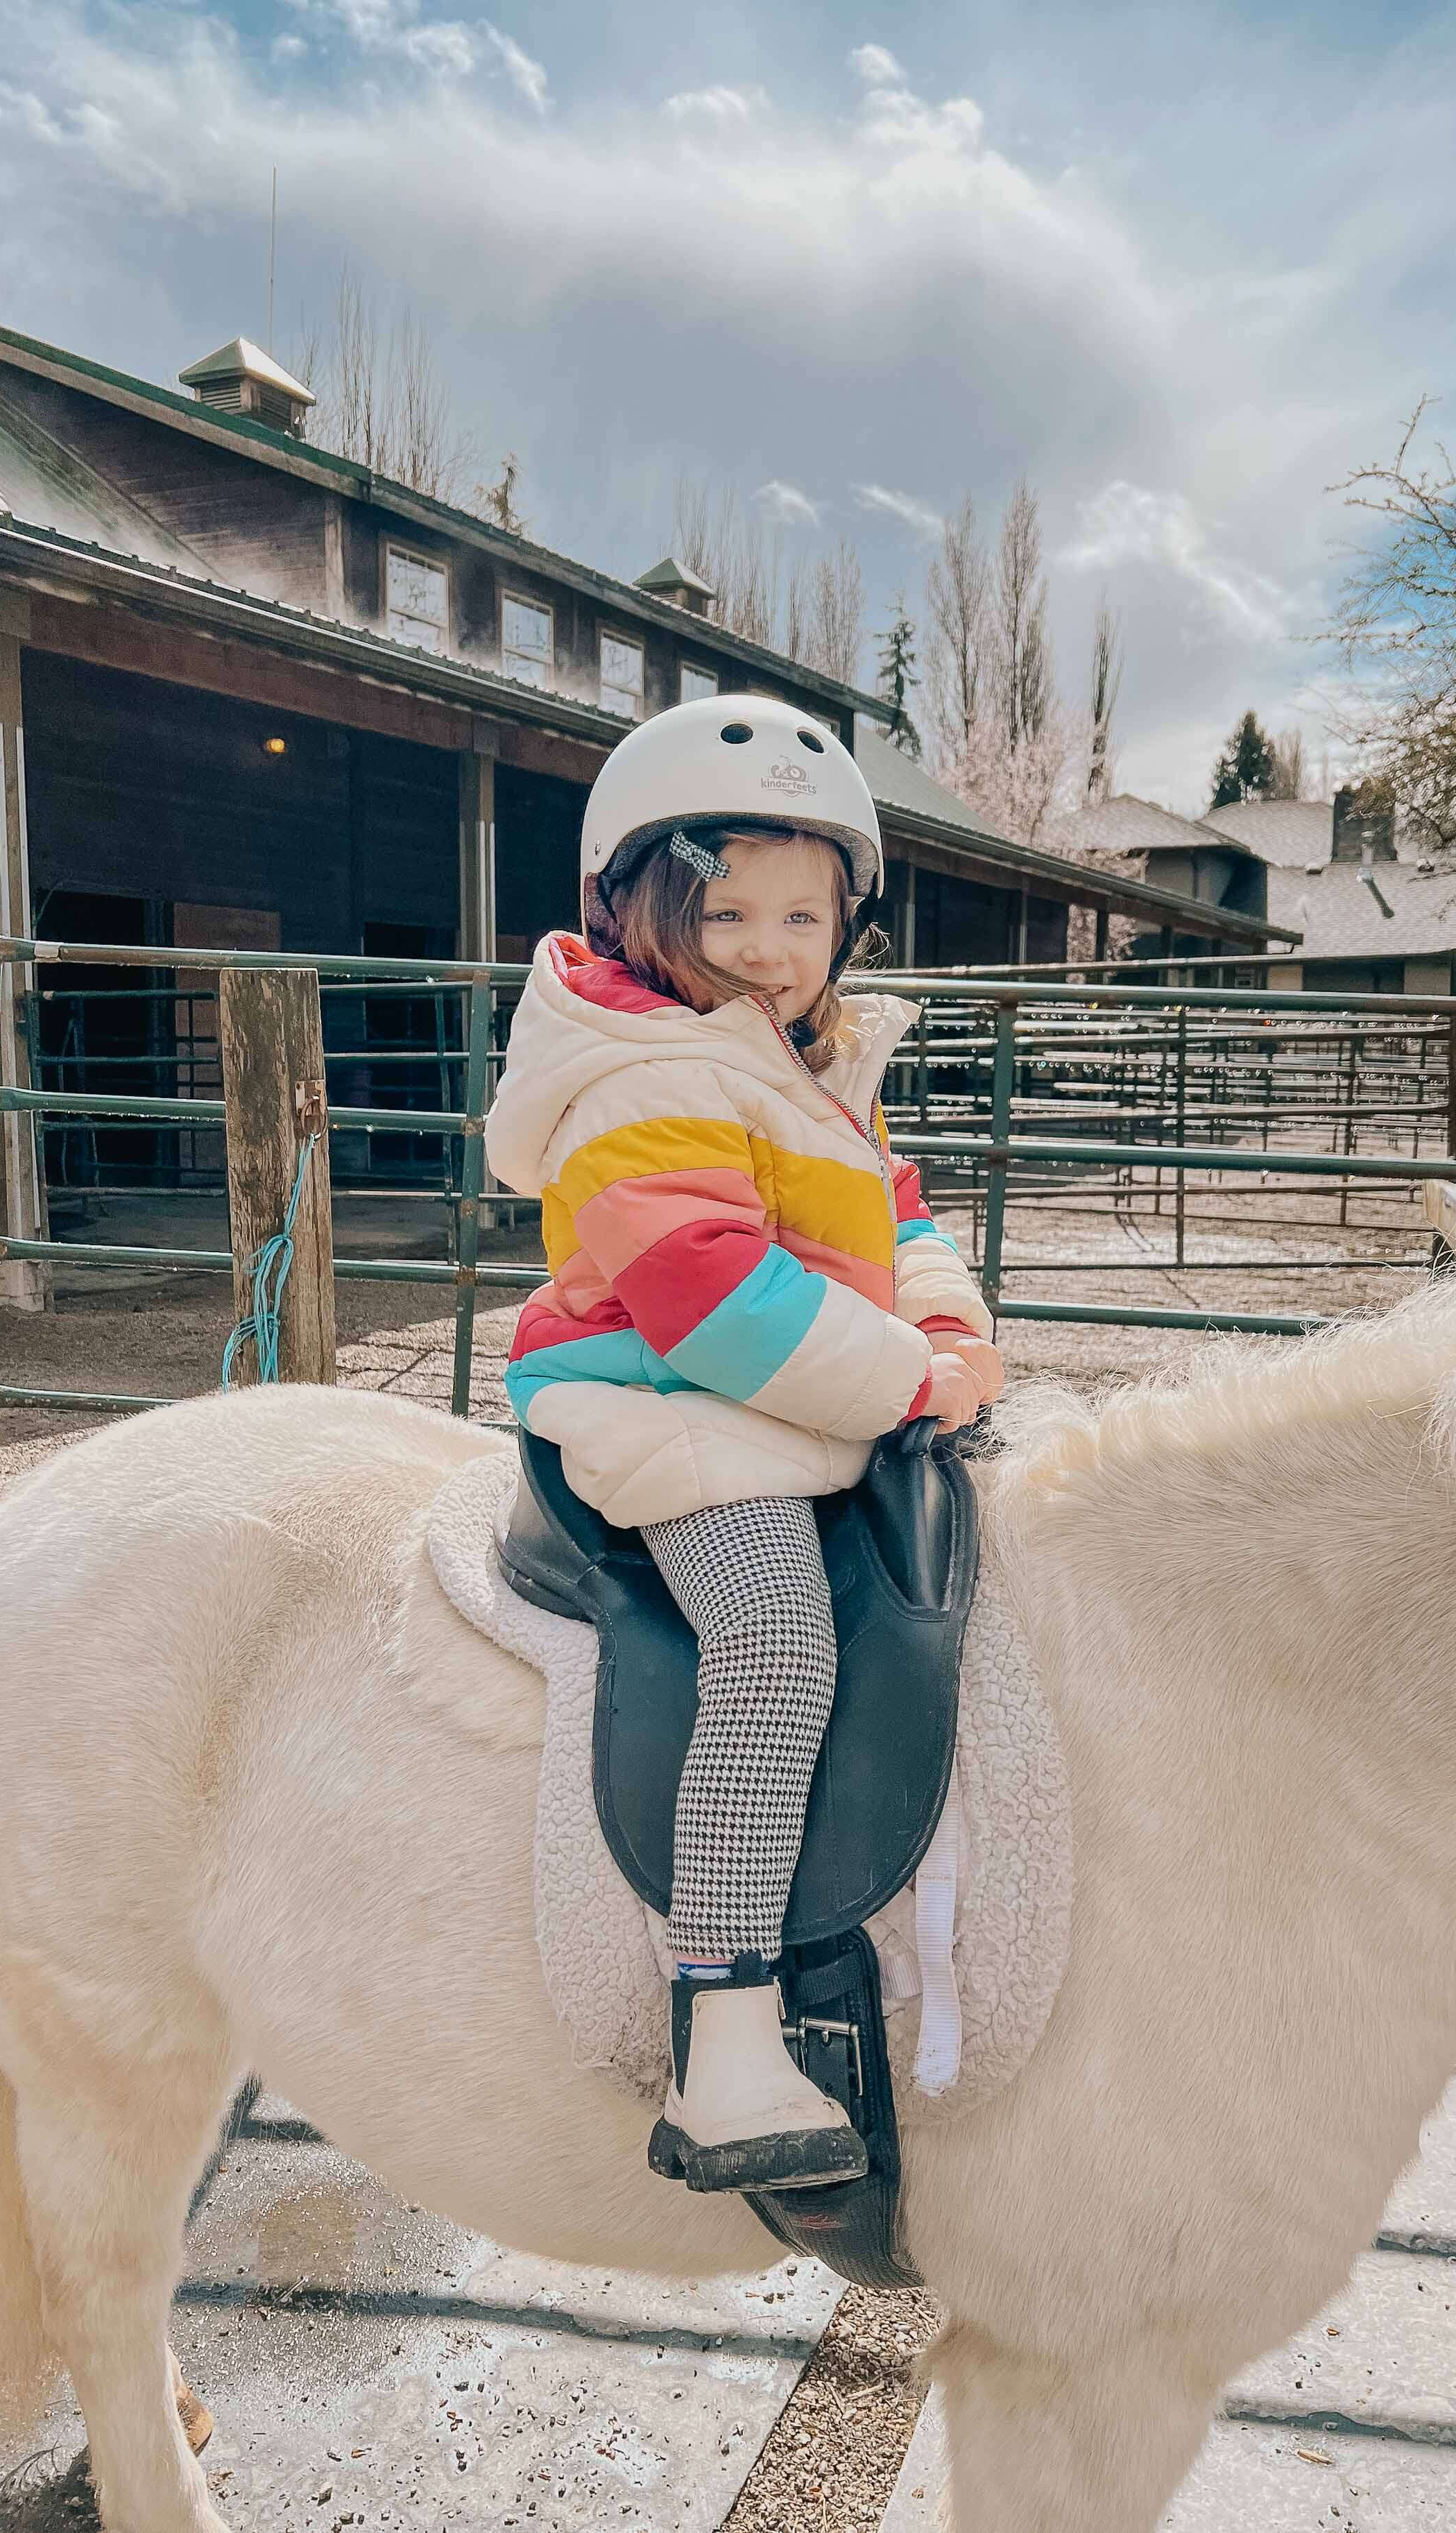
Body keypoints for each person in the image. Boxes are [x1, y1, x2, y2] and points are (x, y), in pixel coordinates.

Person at [486, 692, 1004, 2194]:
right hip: (675, 1409)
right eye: (729, 909)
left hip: (787, 1391)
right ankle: (720, 2031)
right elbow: (714, 1302)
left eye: (804, 909)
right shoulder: (644, 1077)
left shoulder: (795, 1060)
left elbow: (890, 1218)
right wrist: (911, 1379)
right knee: (775, 1643)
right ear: (644, 905)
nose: (772, 945)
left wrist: (950, 1327)